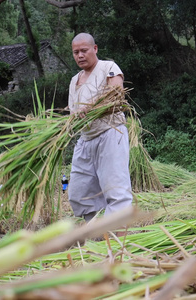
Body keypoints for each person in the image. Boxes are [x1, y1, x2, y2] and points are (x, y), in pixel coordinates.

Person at [67, 33, 133, 224]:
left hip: (111, 133)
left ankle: (116, 240)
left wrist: (91, 107)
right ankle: (96, 234)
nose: (80, 55)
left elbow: (116, 93)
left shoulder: (108, 68)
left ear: (94, 49)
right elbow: (73, 111)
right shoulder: (74, 80)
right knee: (80, 192)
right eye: (75, 52)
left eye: (84, 51)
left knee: (116, 189)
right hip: (85, 139)